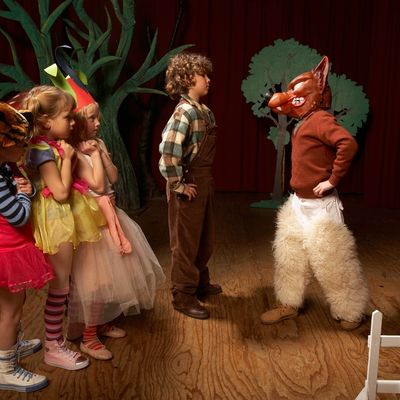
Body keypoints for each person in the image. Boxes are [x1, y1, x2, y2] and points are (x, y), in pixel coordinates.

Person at [259, 56, 369, 330]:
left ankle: (350, 312)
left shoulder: (320, 119)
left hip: (321, 207)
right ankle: (288, 303)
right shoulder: (305, 121)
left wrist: (332, 180)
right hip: (299, 204)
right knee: (290, 256)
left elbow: (348, 144)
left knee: (334, 262)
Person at [66, 99, 166, 360]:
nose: (98, 123)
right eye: (91, 118)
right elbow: (98, 186)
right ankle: (88, 337)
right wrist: (94, 155)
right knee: (95, 281)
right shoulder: (74, 152)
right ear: (77, 122)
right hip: (93, 224)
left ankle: (101, 322)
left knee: (111, 277)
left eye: (98, 117)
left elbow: (113, 177)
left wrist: (101, 153)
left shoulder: (97, 144)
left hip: (111, 216)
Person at [21, 85, 106, 370]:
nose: (72, 122)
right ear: (46, 121)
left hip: (62, 217)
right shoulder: (42, 150)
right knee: (60, 286)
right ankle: (53, 347)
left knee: (64, 283)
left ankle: (58, 340)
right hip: (54, 219)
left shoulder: (51, 146)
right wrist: (68, 160)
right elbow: (59, 192)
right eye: (67, 117)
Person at [159, 52, 222, 320]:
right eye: (202, 75)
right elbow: (168, 152)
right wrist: (178, 185)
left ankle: (199, 283)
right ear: (187, 79)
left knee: (204, 237)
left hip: (204, 181)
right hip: (189, 182)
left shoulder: (203, 111)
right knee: (185, 243)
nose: (208, 79)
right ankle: (183, 295)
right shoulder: (184, 112)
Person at [0, 102, 54, 392]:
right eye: (19, 144)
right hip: (6, 252)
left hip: (12, 247)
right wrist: (25, 197)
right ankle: (5, 370)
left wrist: (28, 190)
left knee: (13, 307)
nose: (24, 148)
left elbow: (21, 192)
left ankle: (10, 344)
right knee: (10, 312)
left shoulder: (6, 167)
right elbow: (18, 215)